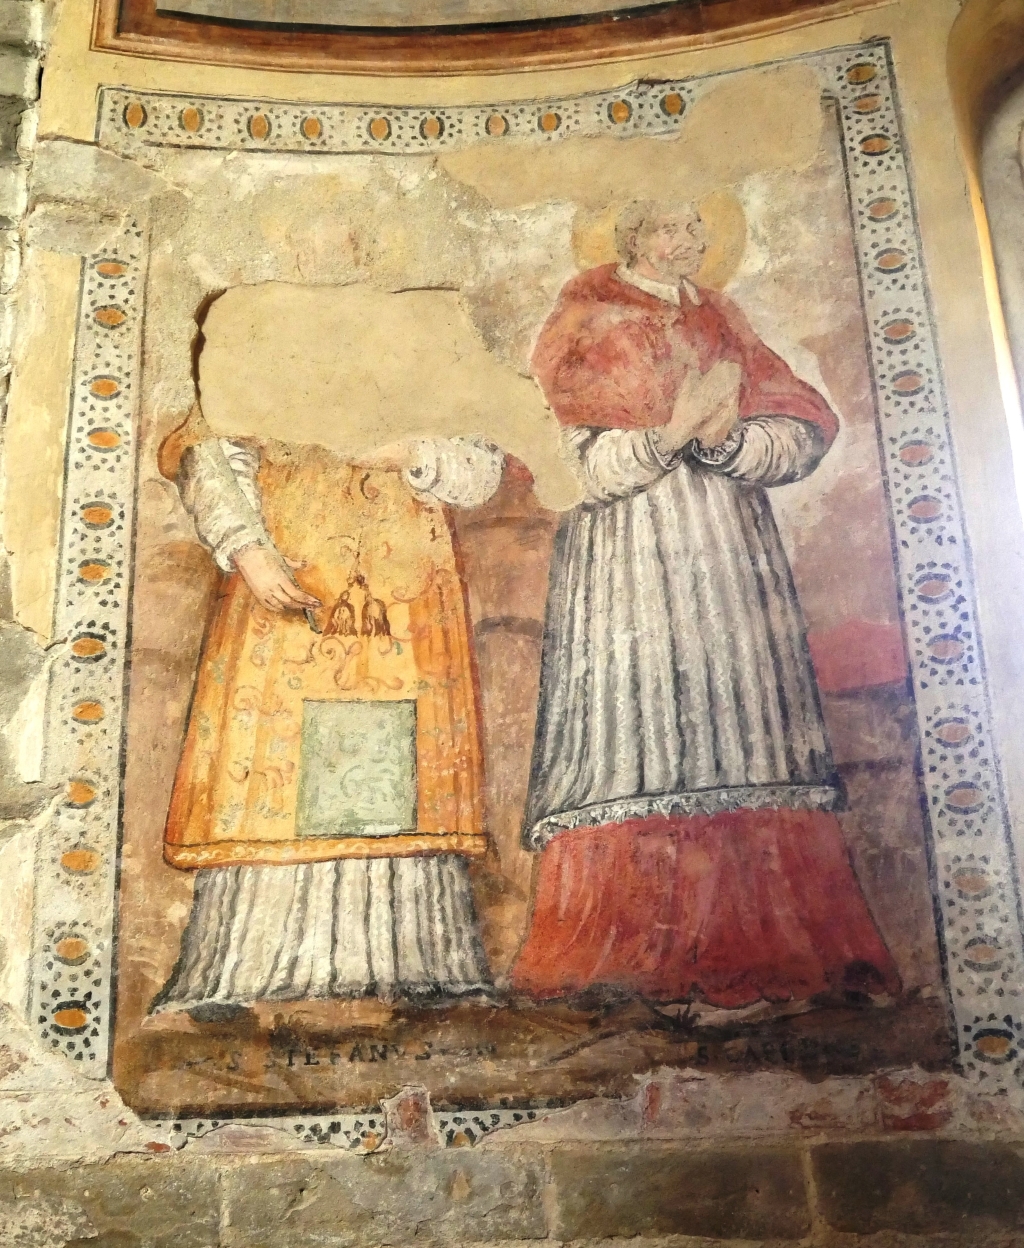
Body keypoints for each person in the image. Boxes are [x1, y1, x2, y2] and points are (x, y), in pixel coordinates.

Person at [511, 200, 901, 1016]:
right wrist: (666, 436)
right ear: (630, 236)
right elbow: (565, 454)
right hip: (627, 554)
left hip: (729, 548)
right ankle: (639, 965)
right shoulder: (584, 318)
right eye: (668, 228)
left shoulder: (720, 316)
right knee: (641, 730)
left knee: (745, 720)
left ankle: (774, 955)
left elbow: (799, 426)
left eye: (696, 228)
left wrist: (728, 441)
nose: (686, 242)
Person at [151, 406, 503, 1021]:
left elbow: (482, 467)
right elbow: (211, 447)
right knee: (279, 768)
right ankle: (258, 965)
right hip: (291, 564)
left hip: (403, 586)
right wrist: (248, 550)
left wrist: (412, 451)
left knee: (398, 769)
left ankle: (410, 964)